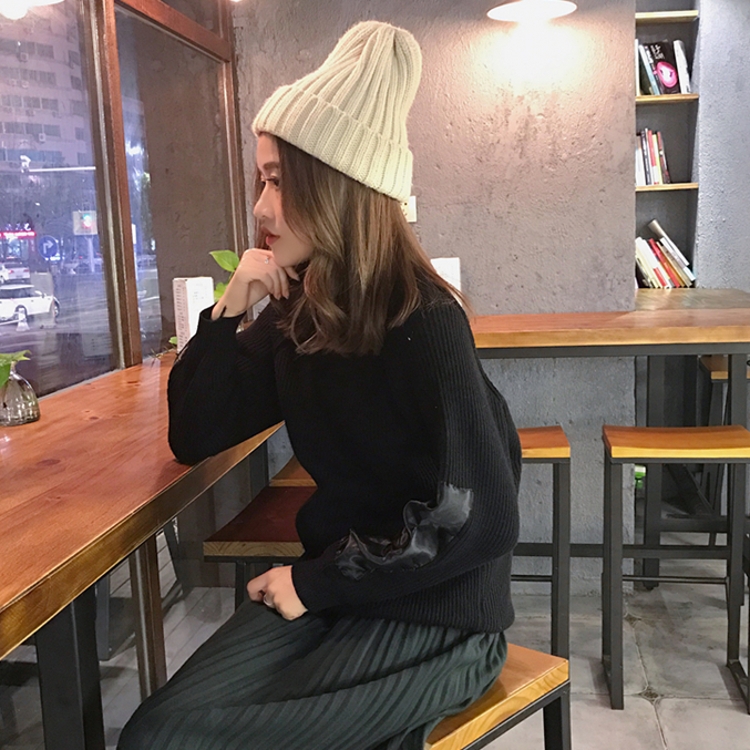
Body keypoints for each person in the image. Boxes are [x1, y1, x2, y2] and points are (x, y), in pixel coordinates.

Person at [118, 20, 521, 750]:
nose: (261, 207)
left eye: (280, 181)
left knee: (172, 739)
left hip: (439, 617)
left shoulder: (423, 320)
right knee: (156, 733)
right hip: (341, 589)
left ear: (338, 187)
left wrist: (313, 585)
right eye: (262, 180)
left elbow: (478, 518)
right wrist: (227, 312)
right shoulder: (300, 315)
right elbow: (195, 434)